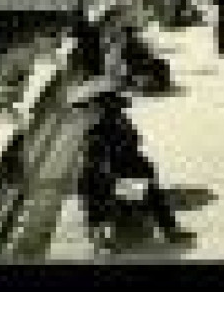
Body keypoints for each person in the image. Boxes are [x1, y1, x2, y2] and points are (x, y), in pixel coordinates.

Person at [78, 91, 192, 244]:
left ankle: (100, 228)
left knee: (141, 187)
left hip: (115, 191)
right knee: (148, 190)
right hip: (115, 191)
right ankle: (169, 229)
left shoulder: (107, 129)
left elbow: (134, 162)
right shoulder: (108, 130)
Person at [117, 24, 171, 92]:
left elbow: (145, 54)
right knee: (160, 65)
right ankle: (161, 85)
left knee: (161, 64)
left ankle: (161, 84)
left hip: (141, 65)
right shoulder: (128, 46)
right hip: (139, 66)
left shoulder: (132, 45)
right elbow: (137, 57)